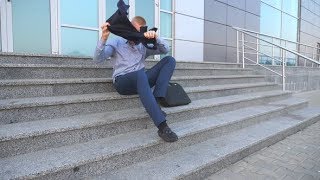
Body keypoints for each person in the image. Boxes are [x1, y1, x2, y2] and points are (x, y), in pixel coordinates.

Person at [93, 16, 178, 142]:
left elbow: (165, 49)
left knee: (169, 60)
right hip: (123, 82)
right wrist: (104, 38)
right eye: (134, 31)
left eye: (139, 32)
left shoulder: (143, 45)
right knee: (140, 73)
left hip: (141, 80)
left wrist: (155, 37)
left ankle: (156, 99)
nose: (136, 35)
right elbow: (97, 59)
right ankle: (162, 126)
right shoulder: (117, 42)